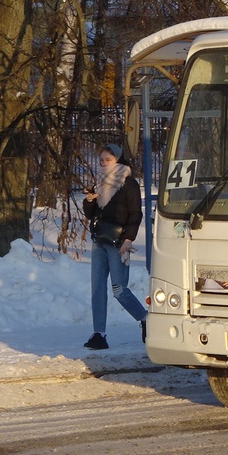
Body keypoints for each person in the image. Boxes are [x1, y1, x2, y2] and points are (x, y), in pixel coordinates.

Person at [82, 144, 147, 350]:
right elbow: (90, 213)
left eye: (107, 160)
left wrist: (129, 239)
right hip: (99, 240)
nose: (103, 163)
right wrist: (89, 200)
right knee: (97, 288)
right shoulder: (99, 182)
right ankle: (98, 334)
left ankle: (146, 319)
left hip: (119, 243)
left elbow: (136, 214)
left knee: (119, 289)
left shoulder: (129, 184)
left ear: (118, 160)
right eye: (101, 160)